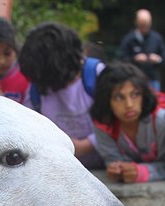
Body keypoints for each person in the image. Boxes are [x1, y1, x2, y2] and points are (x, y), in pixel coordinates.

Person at [19, 22, 105, 170]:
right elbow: (29, 133)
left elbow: (122, 122)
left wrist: (85, 146)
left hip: (107, 166)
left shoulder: (97, 76)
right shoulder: (36, 91)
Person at [90, 63, 165, 183]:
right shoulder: (103, 124)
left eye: (135, 95)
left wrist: (142, 172)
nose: (129, 105)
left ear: (144, 95)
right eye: (119, 97)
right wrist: (117, 169)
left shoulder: (161, 120)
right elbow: (112, 159)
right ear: (106, 100)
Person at [117, 9, 165, 92]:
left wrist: (158, 59)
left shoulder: (156, 38)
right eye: (142, 25)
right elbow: (121, 58)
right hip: (134, 79)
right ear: (137, 23)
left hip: (152, 79)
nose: (145, 28)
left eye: (147, 25)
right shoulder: (129, 39)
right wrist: (134, 59)